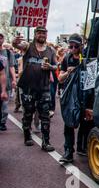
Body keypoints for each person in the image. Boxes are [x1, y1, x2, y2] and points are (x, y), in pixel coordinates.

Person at [12, 26, 57, 151]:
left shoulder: (51, 51)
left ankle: (46, 142)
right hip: (28, 87)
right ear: (35, 34)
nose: (42, 35)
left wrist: (50, 67)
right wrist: (15, 41)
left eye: (44, 33)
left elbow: (56, 66)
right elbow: (17, 45)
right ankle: (27, 136)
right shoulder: (28, 47)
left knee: (45, 115)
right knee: (28, 113)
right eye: (39, 33)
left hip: (44, 87)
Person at [58, 33, 94, 163]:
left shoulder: (87, 57)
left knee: (86, 122)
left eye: (75, 46)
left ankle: (82, 147)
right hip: (71, 95)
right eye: (71, 46)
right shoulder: (66, 59)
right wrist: (68, 72)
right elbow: (60, 78)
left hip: (85, 94)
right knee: (69, 122)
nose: (73, 49)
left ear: (81, 46)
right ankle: (68, 152)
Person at [0, 34, 17, 131]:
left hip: (6, 82)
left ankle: (3, 122)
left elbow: (11, 67)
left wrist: (14, 79)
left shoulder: (8, 52)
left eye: (1, 37)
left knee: (5, 105)